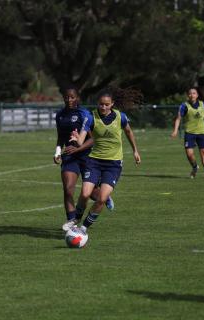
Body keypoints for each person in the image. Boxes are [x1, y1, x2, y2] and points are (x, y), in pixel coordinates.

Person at [66, 87, 141, 234]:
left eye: (106, 104)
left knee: (101, 199)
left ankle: (84, 228)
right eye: (101, 104)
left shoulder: (121, 117)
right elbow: (81, 140)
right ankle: (76, 219)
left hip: (113, 164)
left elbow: (129, 132)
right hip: (94, 161)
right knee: (85, 193)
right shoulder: (91, 117)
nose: (103, 107)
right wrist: (76, 139)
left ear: (112, 103)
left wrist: (135, 151)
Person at [54, 88, 114, 232]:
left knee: (91, 194)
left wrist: (78, 148)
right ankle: (72, 222)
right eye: (66, 97)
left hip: (88, 156)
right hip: (69, 156)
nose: (69, 100)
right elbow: (61, 136)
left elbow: (94, 139)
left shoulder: (85, 114)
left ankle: (104, 197)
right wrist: (57, 151)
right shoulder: (60, 115)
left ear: (77, 98)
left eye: (72, 97)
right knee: (68, 190)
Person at [170, 86, 204, 180]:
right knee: (189, 154)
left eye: (194, 93)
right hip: (190, 133)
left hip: (202, 132)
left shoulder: (203, 104)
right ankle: (195, 167)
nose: (192, 95)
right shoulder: (184, 106)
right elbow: (178, 119)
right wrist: (175, 131)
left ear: (197, 95)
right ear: (187, 95)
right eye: (190, 93)